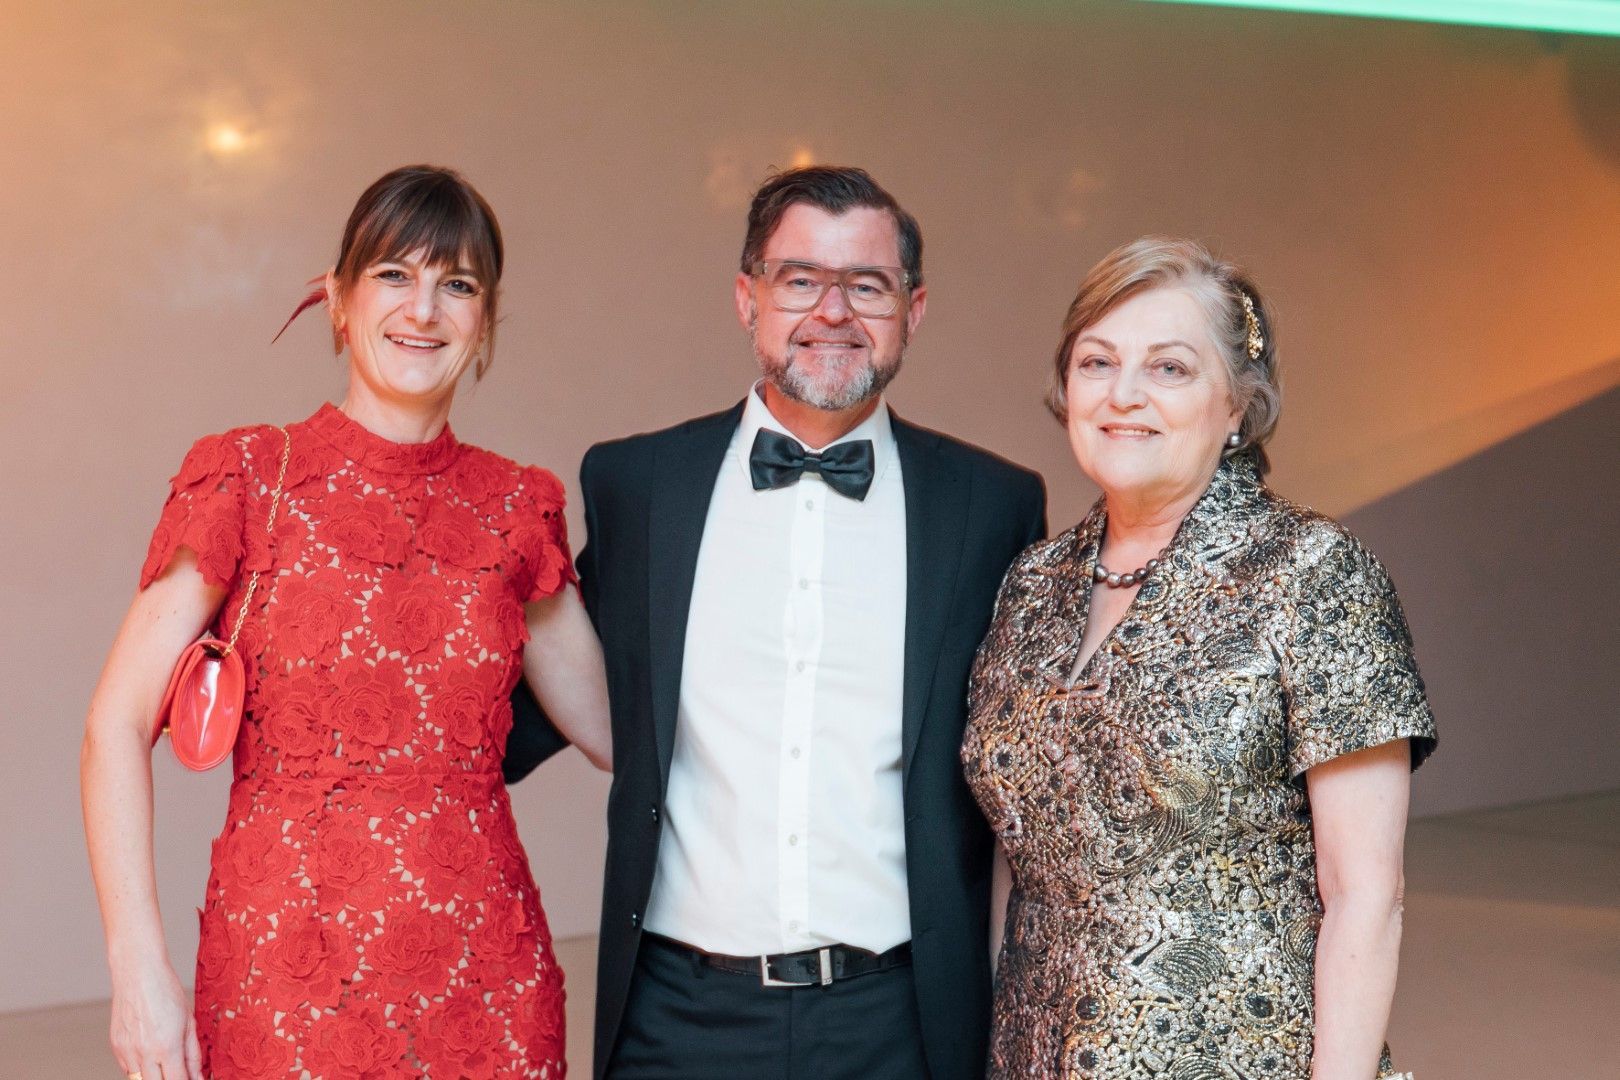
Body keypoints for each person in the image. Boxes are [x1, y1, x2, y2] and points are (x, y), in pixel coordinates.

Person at [506, 165, 1045, 1079]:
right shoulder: (639, 487)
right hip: (674, 1019)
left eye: (867, 285)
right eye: (801, 279)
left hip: (903, 1023)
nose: (833, 312)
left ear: (912, 311)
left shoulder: (992, 506)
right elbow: (513, 710)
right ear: (747, 299)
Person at [82, 164, 611, 1080]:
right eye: (394, 275)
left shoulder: (518, 508)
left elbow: (621, 734)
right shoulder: (247, 476)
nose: (424, 309)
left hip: (487, 985)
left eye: (458, 285)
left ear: (485, 320)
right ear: (336, 298)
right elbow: (114, 726)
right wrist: (136, 970)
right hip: (284, 982)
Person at [963, 236, 1437, 1079]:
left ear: (1237, 407)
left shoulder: (1311, 573)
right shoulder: (1032, 584)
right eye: (1097, 362)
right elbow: (1018, 857)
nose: (1124, 394)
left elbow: (1366, 895)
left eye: (1170, 368)